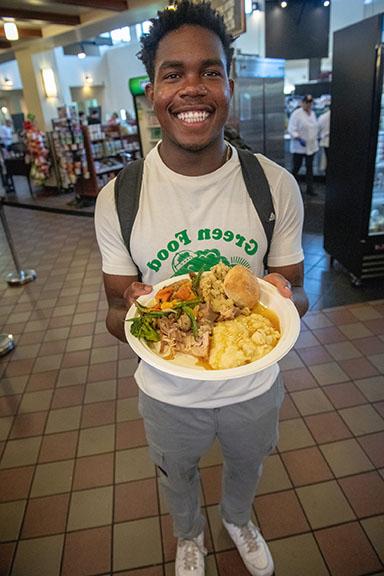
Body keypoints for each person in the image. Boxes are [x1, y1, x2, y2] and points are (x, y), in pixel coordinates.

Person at [94, 2, 308, 575]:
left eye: (210, 71)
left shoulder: (275, 185)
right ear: (152, 92)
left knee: (248, 463)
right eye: (174, 73)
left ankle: (238, 519)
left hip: (254, 383)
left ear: (229, 86)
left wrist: (282, 297)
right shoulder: (119, 197)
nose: (193, 88)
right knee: (176, 471)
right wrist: (139, 310)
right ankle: (189, 536)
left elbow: (300, 297)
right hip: (168, 393)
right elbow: (116, 316)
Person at [288, 94, 319, 196]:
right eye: (307, 103)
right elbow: (291, 129)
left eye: (310, 103)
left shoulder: (313, 114)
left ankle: (310, 189)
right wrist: (298, 138)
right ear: (303, 103)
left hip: (311, 146)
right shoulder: (296, 114)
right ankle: (290, 188)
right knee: (296, 167)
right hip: (299, 147)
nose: (308, 105)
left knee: (309, 168)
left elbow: (315, 128)